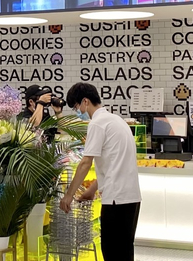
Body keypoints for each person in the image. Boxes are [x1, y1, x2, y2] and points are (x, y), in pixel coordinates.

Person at [60, 83, 141, 261]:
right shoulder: (117, 120)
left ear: (85, 101)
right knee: (125, 252)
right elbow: (114, 164)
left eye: (76, 107)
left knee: (111, 252)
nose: (78, 112)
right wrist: (91, 190)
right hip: (132, 197)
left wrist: (69, 195)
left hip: (115, 198)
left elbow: (85, 163)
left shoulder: (97, 124)